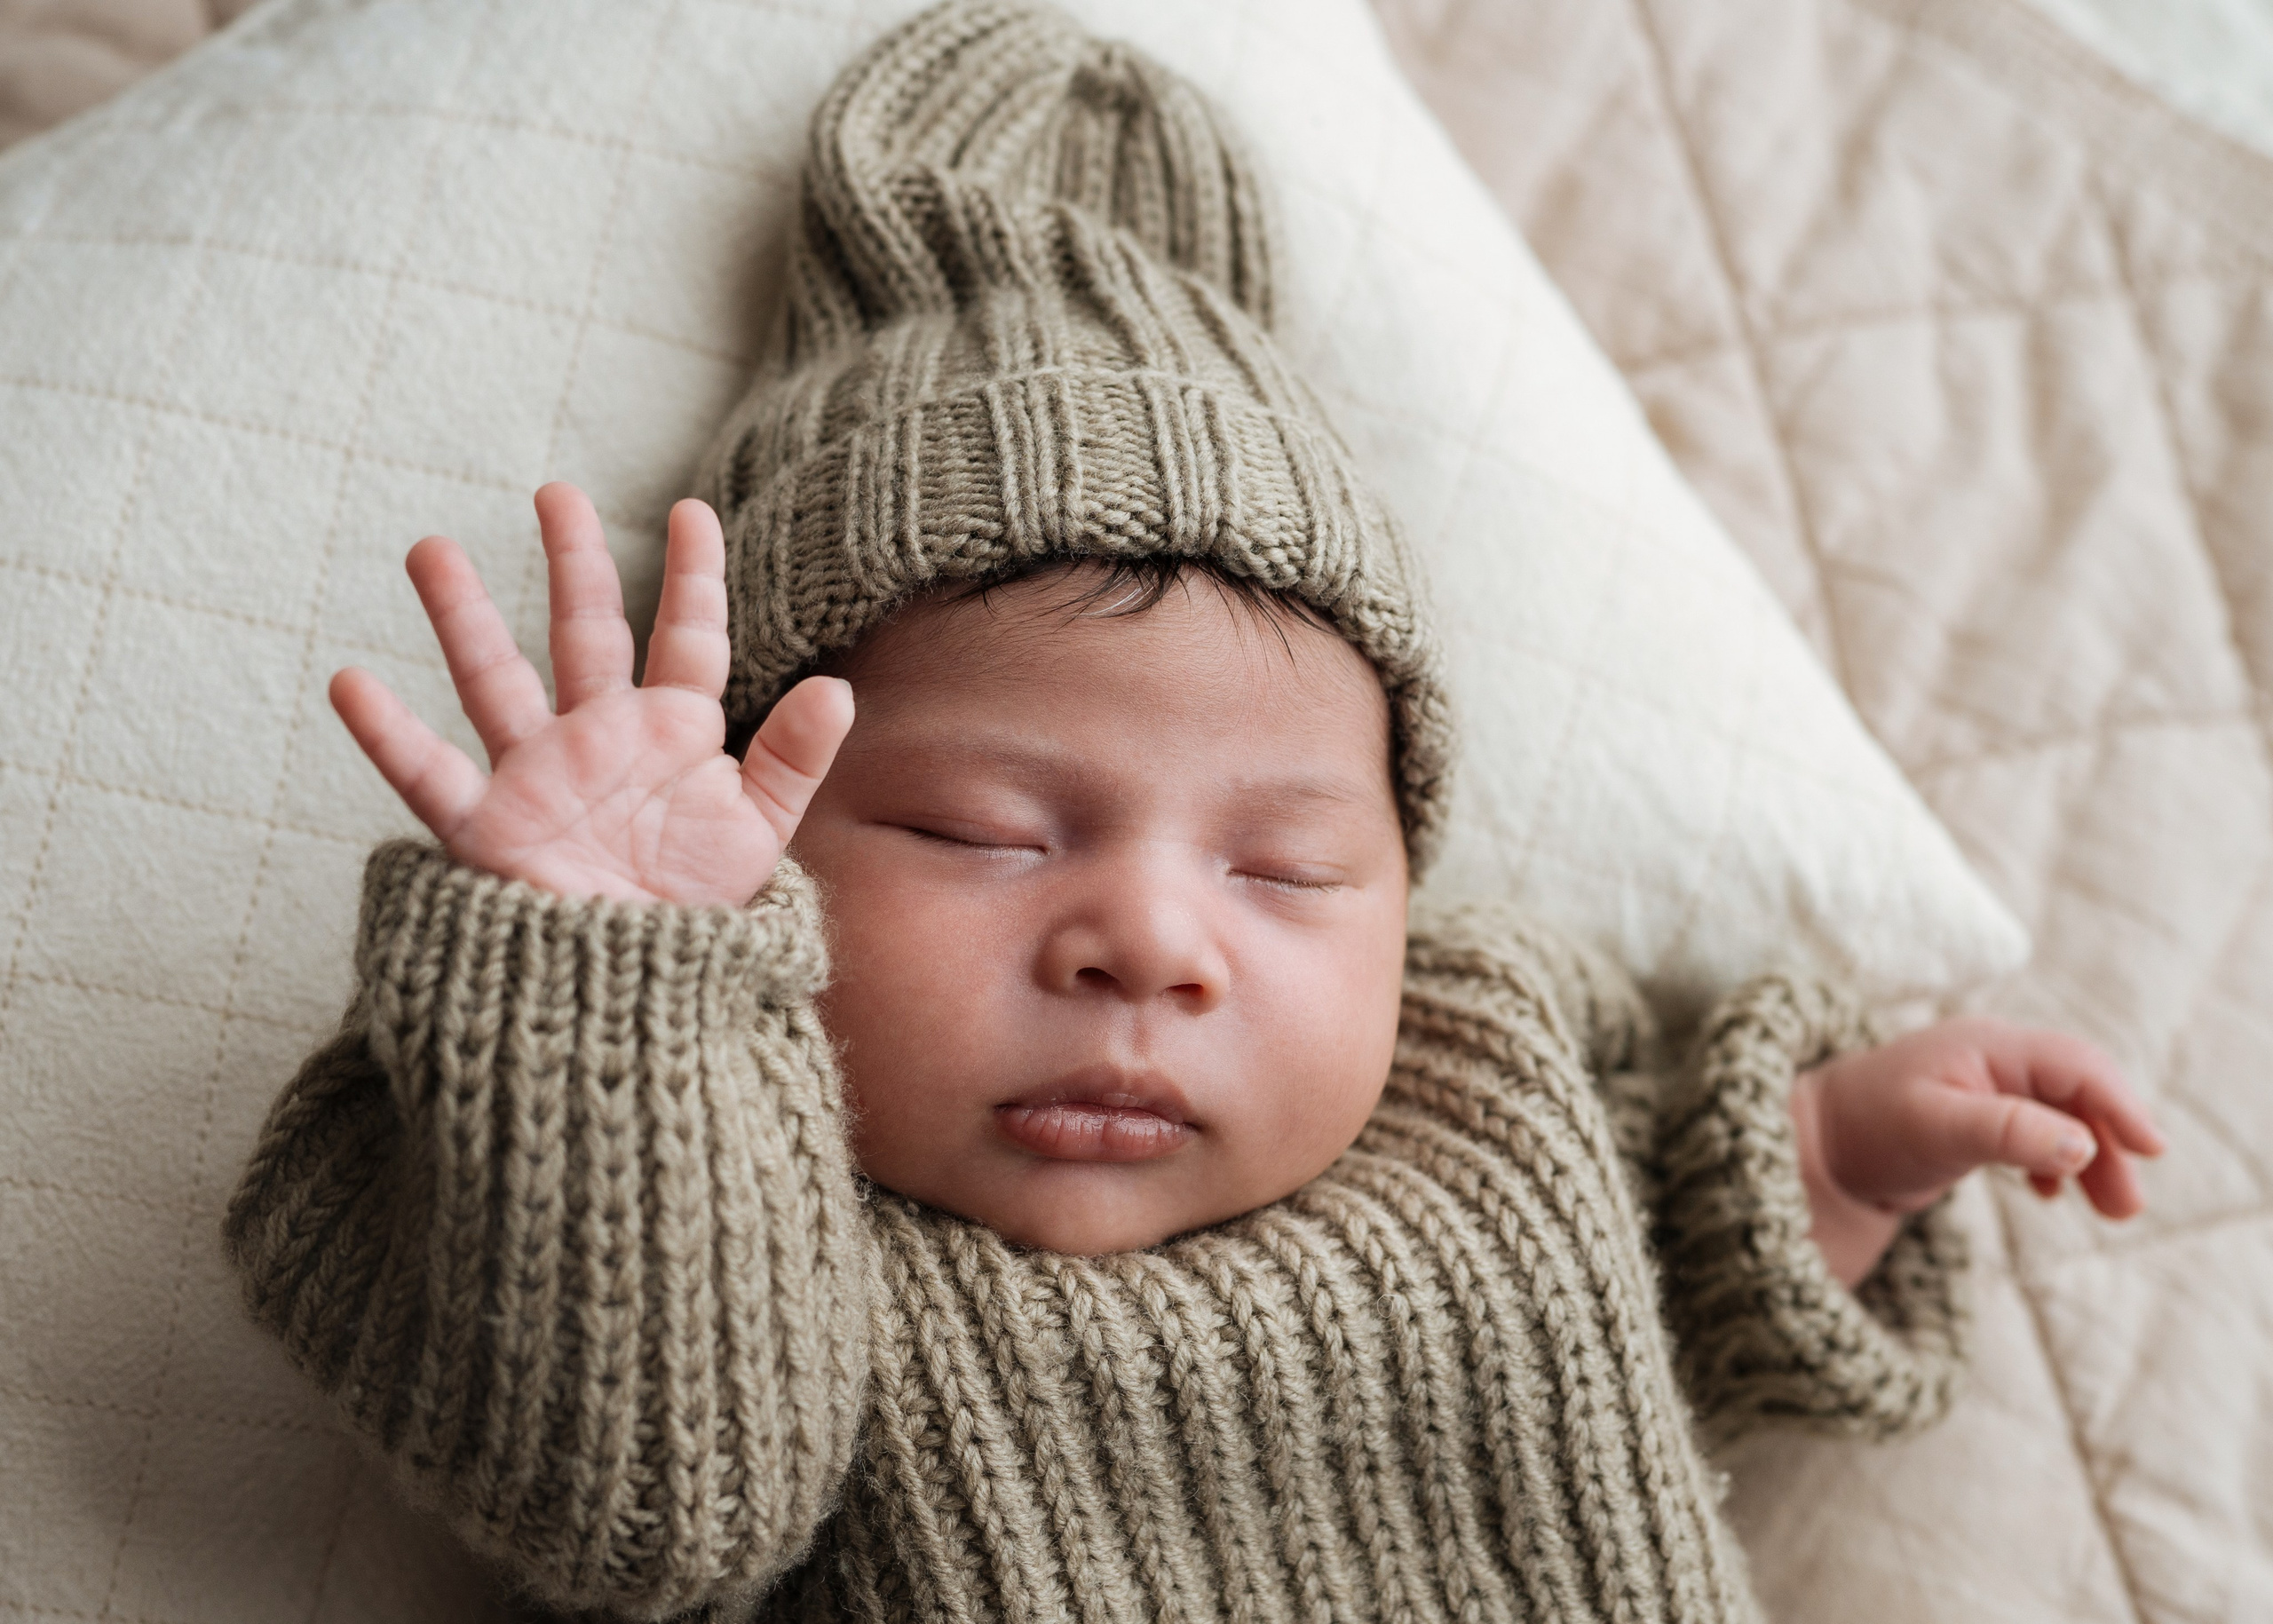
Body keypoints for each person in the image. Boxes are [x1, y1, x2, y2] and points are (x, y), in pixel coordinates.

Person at [222, 3, 2164, 1619]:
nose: (1147, 940)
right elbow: (638, 1501)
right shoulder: (755, 1202)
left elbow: (1683, 1323)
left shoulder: (1481, 1058)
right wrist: (616, 987)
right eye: (985, 830)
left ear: (1405, 888)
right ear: (763, 855)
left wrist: (1832, 1161)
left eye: (1288, 864)